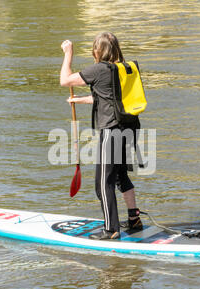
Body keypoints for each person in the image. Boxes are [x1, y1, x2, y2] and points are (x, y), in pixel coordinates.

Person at [60, 32, 143, 240]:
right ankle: (134, 219)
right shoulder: (123, 69)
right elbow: (107, 98)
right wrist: (78, 101)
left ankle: (111, 229)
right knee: (121, 176)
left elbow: (65, 80)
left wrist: (68, 53)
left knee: (102, 183)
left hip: (112, 131)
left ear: (97, 51)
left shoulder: (98, 69)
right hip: (129, 129)